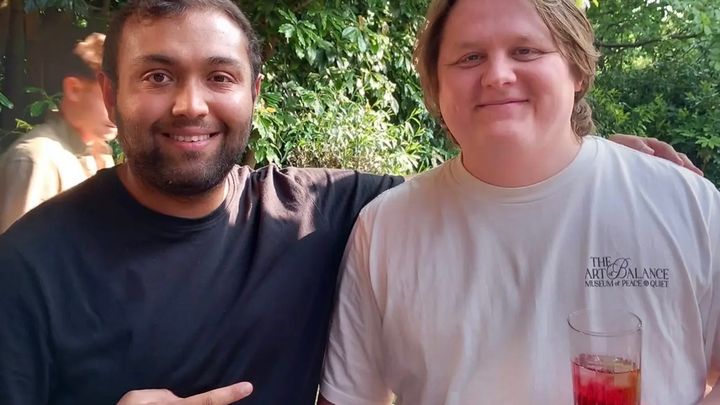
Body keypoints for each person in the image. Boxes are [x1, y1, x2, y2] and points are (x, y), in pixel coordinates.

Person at [0, 1, 702, 404]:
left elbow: (491, 187)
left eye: (219, 76)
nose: (190, 104)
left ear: (254, 95)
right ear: (110, 95)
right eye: (157, 76)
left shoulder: (326, 212)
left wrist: (595, 163)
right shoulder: (30, 267)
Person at [318, 0, 720, 404]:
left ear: (577, 69)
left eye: (525, 51)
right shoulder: (385, 227)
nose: (497, 75)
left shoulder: (687, 205)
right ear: (436, 85)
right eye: (470, 57)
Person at [0, 33, 117, 233]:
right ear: (74, 89)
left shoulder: (101, 155)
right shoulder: (37, 160)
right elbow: (17, 251)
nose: (119, 109)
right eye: (109, 96)